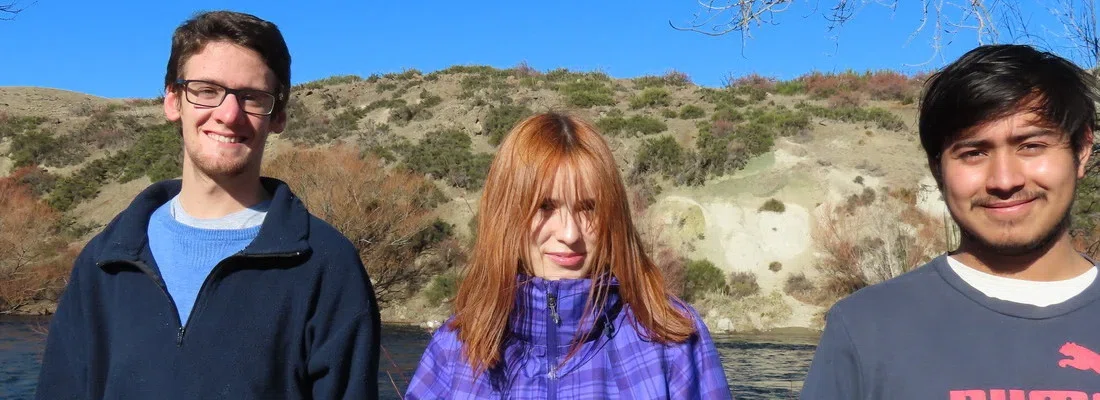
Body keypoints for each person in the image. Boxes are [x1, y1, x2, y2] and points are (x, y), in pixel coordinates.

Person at [35, 10, 380, 399]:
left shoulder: (326, 265)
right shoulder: (105, 261)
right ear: (173, 101)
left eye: (252, 97)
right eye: (206, 90)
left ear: (279, 116)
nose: (229, 114)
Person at [801, 44, 1100, 399]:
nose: (1004, 180)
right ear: (937, 169)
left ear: (1082, 150)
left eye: (1031, 146)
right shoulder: (864, 326)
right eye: (973, 153)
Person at [404, 113, 731, 399]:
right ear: (506, 215)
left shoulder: (672, 338)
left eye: (588, 207)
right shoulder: (452, 349)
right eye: (545, 206)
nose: (570, 234)